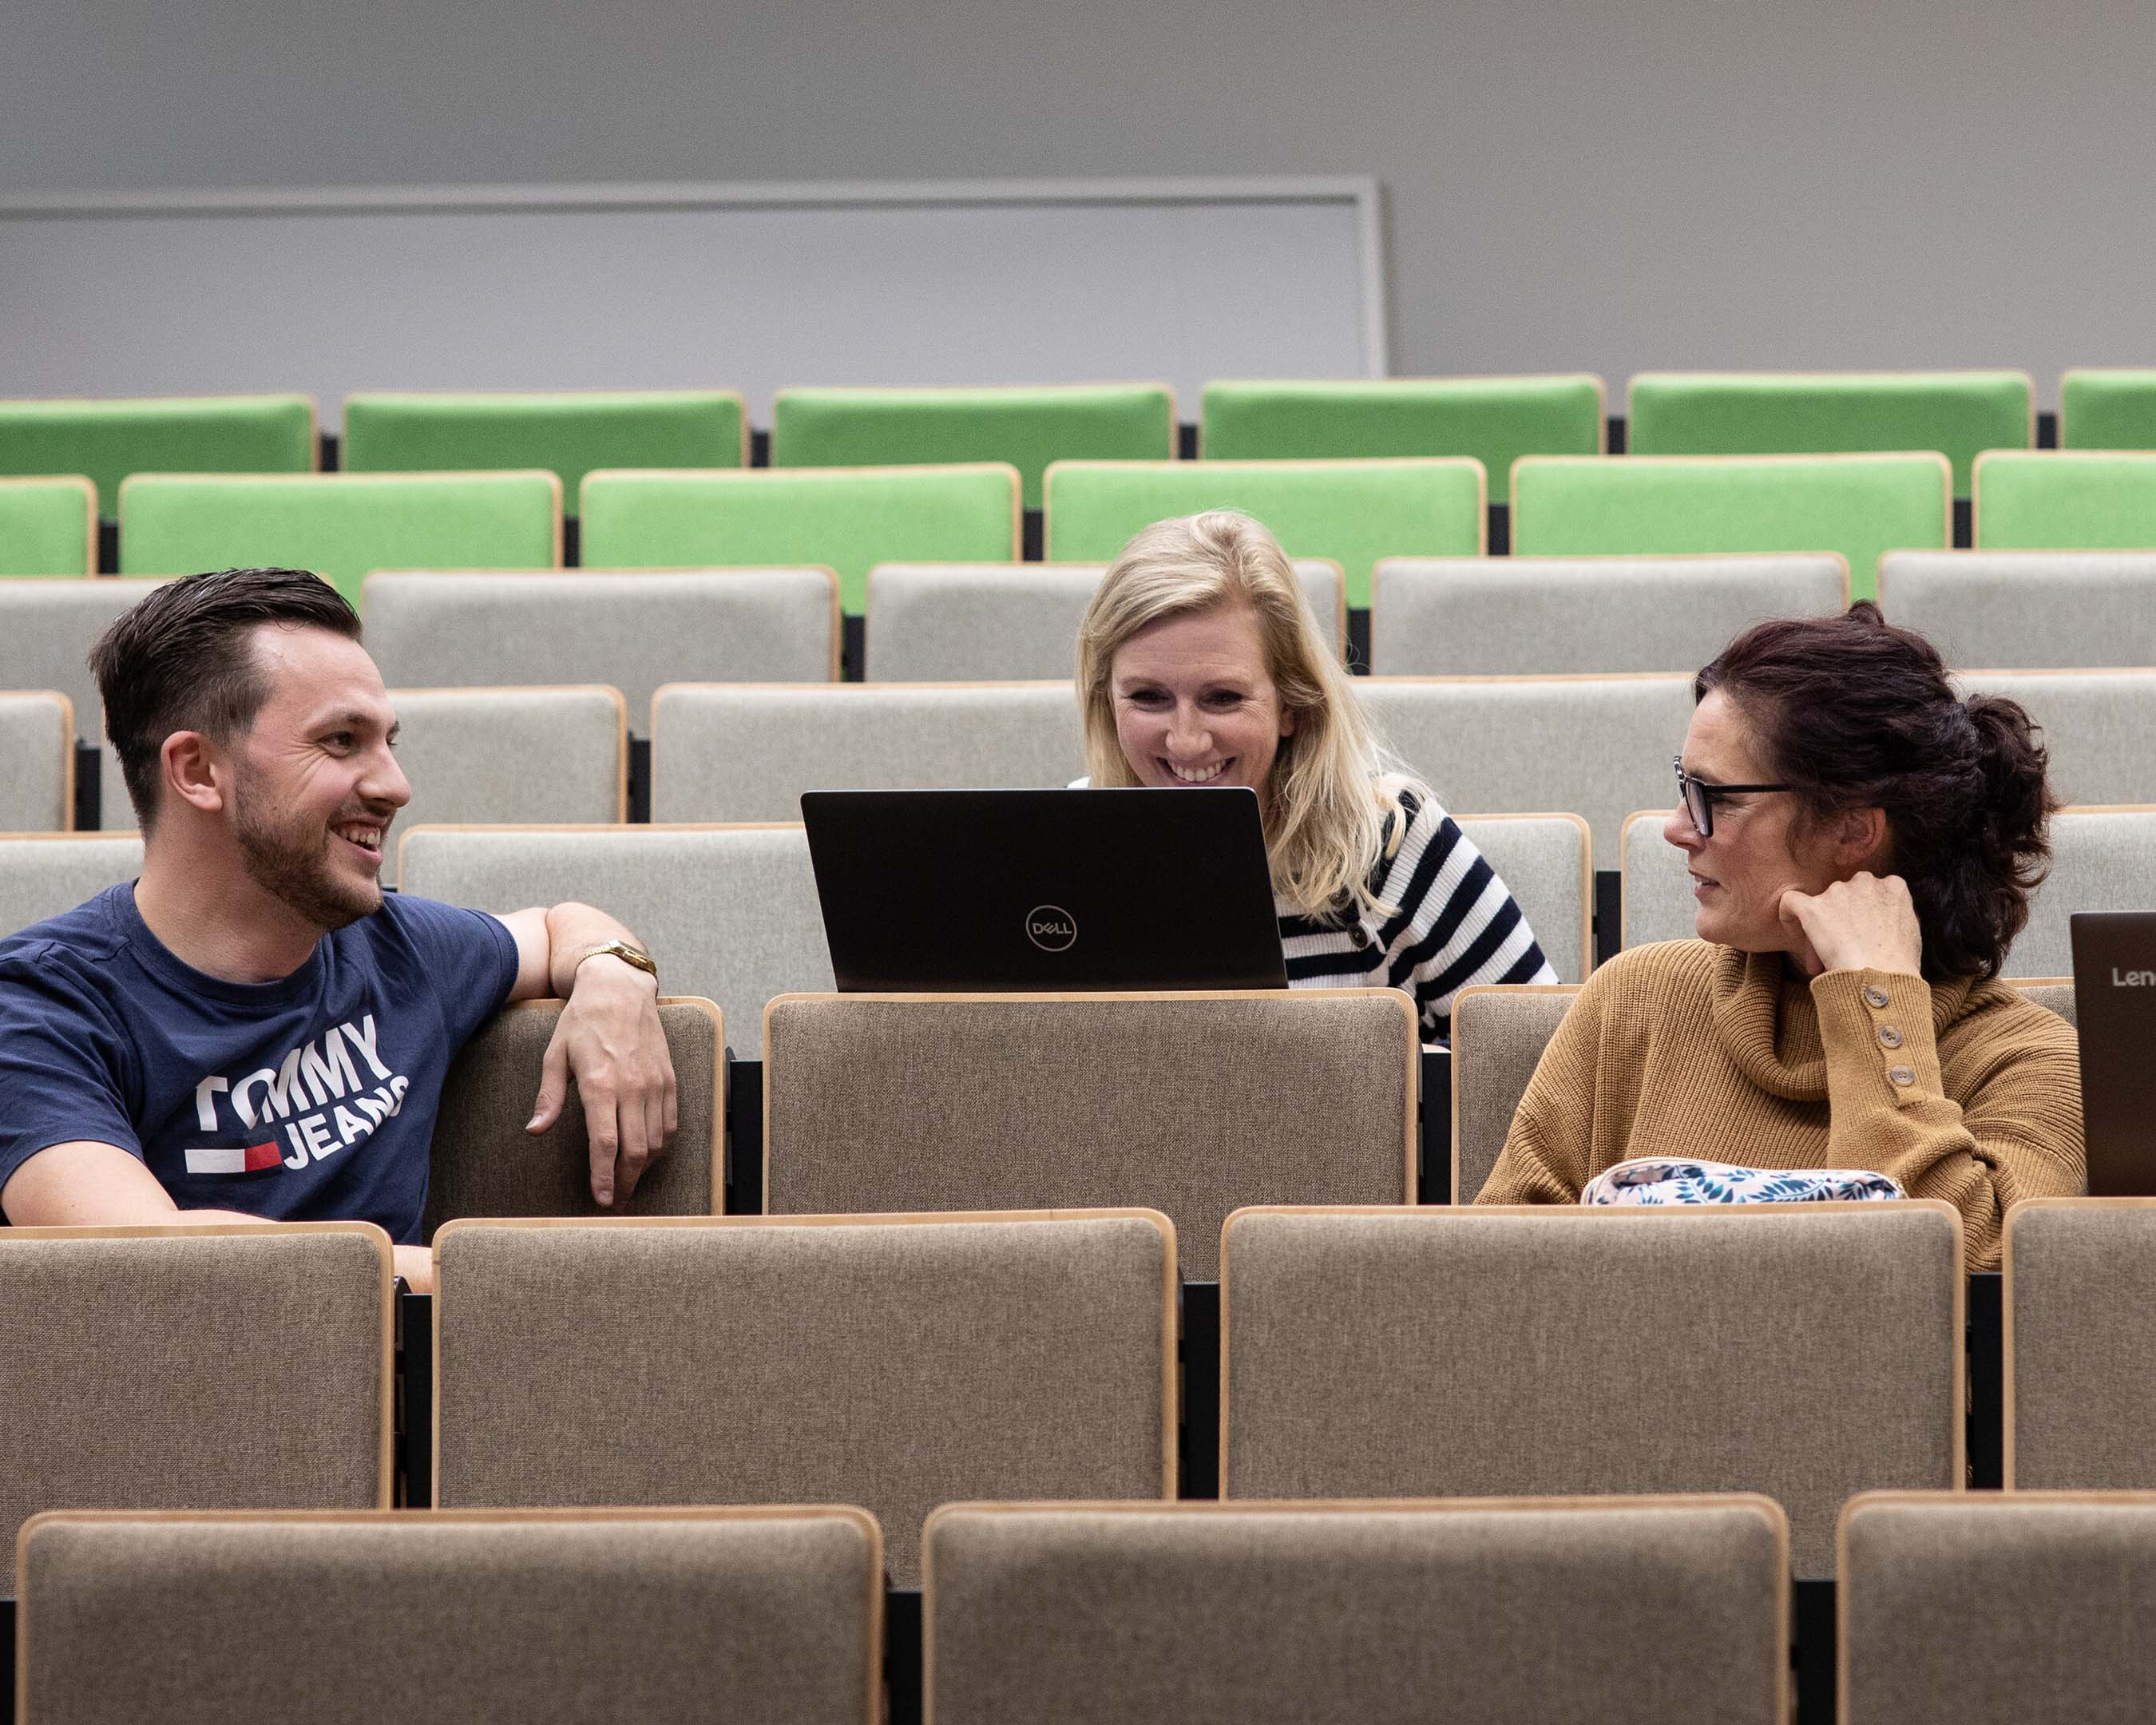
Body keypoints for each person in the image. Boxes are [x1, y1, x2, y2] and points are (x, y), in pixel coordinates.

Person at [0, 568, 677, 1291]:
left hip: (414, 1392)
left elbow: (556, 927)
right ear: (197, 770)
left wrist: (614, 973)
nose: (395, 785)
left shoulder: (399, 946)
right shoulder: (39, 1006)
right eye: (342, 741)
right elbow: (145, 1258)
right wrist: (529, 1283)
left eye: (388, 741)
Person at [1476, 601, 2084, 1268]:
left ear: (1853, 832)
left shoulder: (2032, 1062)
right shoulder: (1636, 1000)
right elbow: (1493, 1289)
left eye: (1716, 797)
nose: (1677, 827)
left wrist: (1875, 1002)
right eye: (1684, 786)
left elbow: (1974, 1287)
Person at [1075, 511, 1556, 1042]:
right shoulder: (1061, 849)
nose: (1186, 740)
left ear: (1292, 706)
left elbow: (1538, 1068)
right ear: (1107, 701)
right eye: (1148, 698)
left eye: (1224, 698)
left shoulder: (1391, 842)